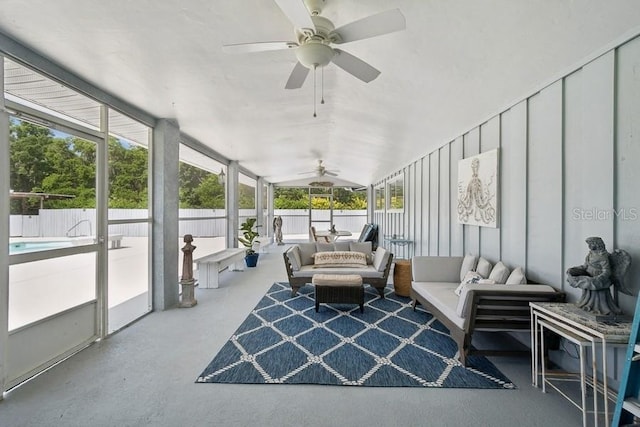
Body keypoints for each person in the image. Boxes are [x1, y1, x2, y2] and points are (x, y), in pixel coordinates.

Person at [567, 236, 620, 315]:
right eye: (589, 244)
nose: (589, 246)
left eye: (591, 244)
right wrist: (574, 269)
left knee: (596, 294)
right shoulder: (590, 254)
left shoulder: (603, 256)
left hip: (598, 279)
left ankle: (599, 309)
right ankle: (586, 305)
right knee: (585, 288)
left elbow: (607, 271)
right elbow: (585, 266)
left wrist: (599, 278)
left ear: (597, 244)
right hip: (589, 275)